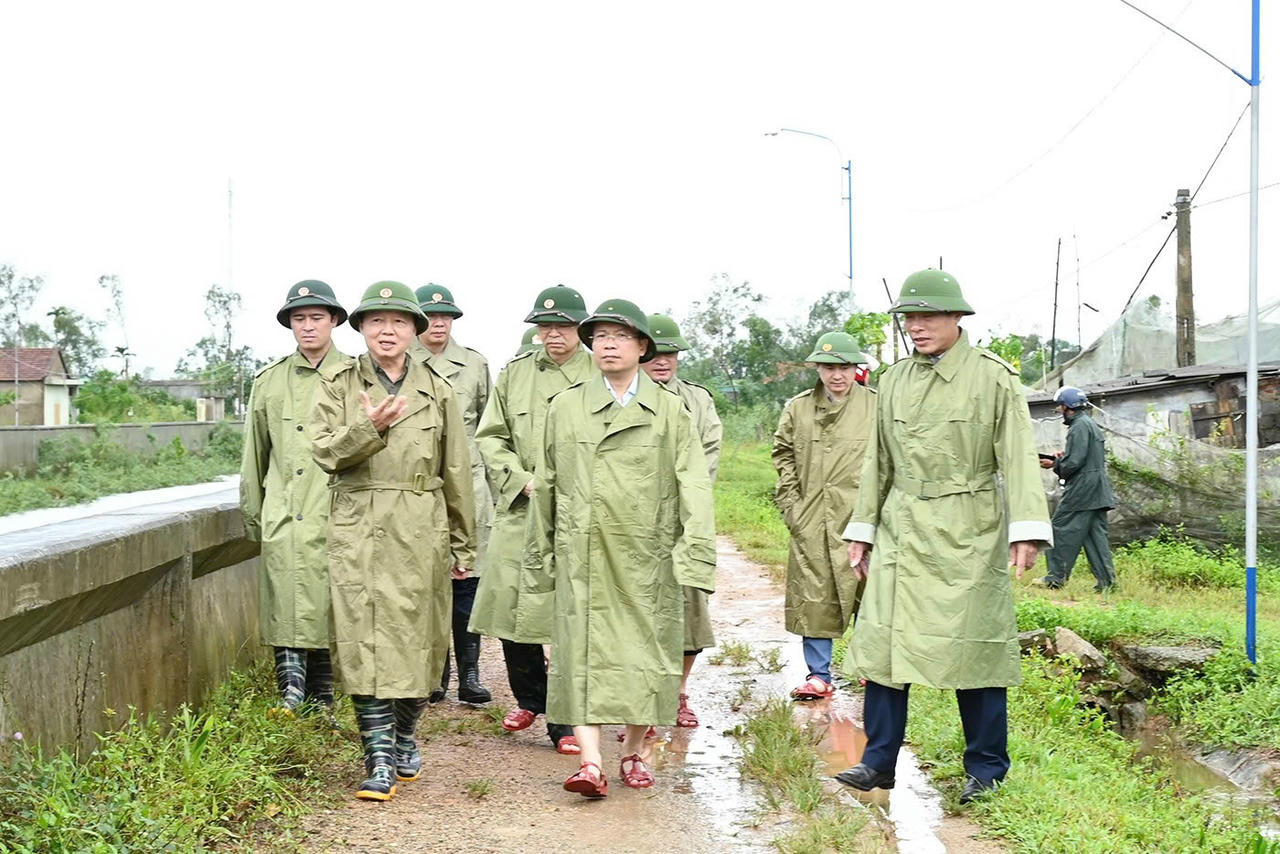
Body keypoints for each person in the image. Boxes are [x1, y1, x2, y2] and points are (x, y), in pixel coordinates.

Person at [835, 270, 1052, 805]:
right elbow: (877, 461)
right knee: (884, 645)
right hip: (902, 524)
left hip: (968, 528)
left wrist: (1025, 529)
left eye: (928, 315)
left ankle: (986, 769)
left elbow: (1018, 458)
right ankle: (877, 762)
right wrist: (862, 530)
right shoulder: (894, 381)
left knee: (974, 651)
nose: (917, 326)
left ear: (958, 318)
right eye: (909, 317)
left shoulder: (993, 378)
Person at [522, 299, 716, 798]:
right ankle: (590, 763)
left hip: (645, 556)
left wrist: (694, 552)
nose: (608, 344)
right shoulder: (565, 406)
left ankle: (634, 749)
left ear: (642, 346)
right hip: (582, 552)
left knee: (644, 654)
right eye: (600, 336)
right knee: (578, 653)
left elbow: (694, 485)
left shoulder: (670, 411)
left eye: (620, 336)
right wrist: (541, 551)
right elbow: (546, 483)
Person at [310, 281, 476, 802]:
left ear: (414, 331)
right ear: (359, 328)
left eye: (399, 322)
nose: (388, 330)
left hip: (419, 529)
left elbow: (456, 471)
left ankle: (405, 734)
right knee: (363, 640)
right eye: (376, 321)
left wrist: (463, 545)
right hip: (357, 524)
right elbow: (324, 452)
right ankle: (377, 756)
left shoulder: (439, 389)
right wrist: (368, 427)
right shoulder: (338, 384)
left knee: (419, 642)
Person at [469, 285, 594, 755]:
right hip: (521, 510)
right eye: (545, 326)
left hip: (578, 514)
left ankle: (564, 721)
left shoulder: (600, 374)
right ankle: (529, 699)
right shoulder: (515, 374)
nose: (553, 334)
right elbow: (491, 436)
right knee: (513, 611)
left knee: (568, 617)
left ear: (580, 329)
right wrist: (518, 479)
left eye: (562, 326)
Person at [241, 280, 348, 718]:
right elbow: (254, 456)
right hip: (284, 509)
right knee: (284, 598)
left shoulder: (354, 376)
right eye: (299, 319)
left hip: (338, 509)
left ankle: (322, 695)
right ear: (289, 324)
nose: (307, 327)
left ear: (335, 321)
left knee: (328, 602)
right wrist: (255, 515)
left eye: (316, 318)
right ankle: (290, 692)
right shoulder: (269, 382)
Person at [772, 331, 875, 701]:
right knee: (814, 595)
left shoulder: (876, 406)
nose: (837, 376)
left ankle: (868, 664)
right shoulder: (798, 408)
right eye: (829, 367)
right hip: (811, 516)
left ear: (855, 369)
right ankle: (819, 675)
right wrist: (792, 505)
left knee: (870, 591)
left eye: (845, 367)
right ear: (817, 368)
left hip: (862, 516)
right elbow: (782, 453)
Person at [413, 284, 494, 704]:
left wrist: (494, 493)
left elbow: (491, 428)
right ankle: (434, 674)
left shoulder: (474, 364)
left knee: (467, 581)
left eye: (446, 317)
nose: (439, 323)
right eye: (431, 316)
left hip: (470, 486)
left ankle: (471, 674)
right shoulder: (402, 365)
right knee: (426, 583)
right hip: (423, 484)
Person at [641, 313, 722, 728]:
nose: (662, 360)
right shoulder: (624, 396)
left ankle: (678, 692)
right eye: (655, 352)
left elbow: (706, 460)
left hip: (683, 521)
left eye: (670, 352)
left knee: (690, 615)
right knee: (637, 616)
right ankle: (643, 702)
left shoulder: (698, 400)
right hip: (633, 523)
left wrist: (680, 506)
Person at [1036, 386, 1117, 592]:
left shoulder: (1078, 427)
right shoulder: (1089, 424)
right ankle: (1107, 583)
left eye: (1061, 406)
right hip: (1097, 490)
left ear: (1067, 407)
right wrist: (1062, 458)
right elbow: (1081, 457)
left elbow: (1074, 464)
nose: (1060, 410)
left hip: (1083, 490)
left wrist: (1054, 464)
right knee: (1094, 536)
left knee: (1060, 528)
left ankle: (1055, 578)